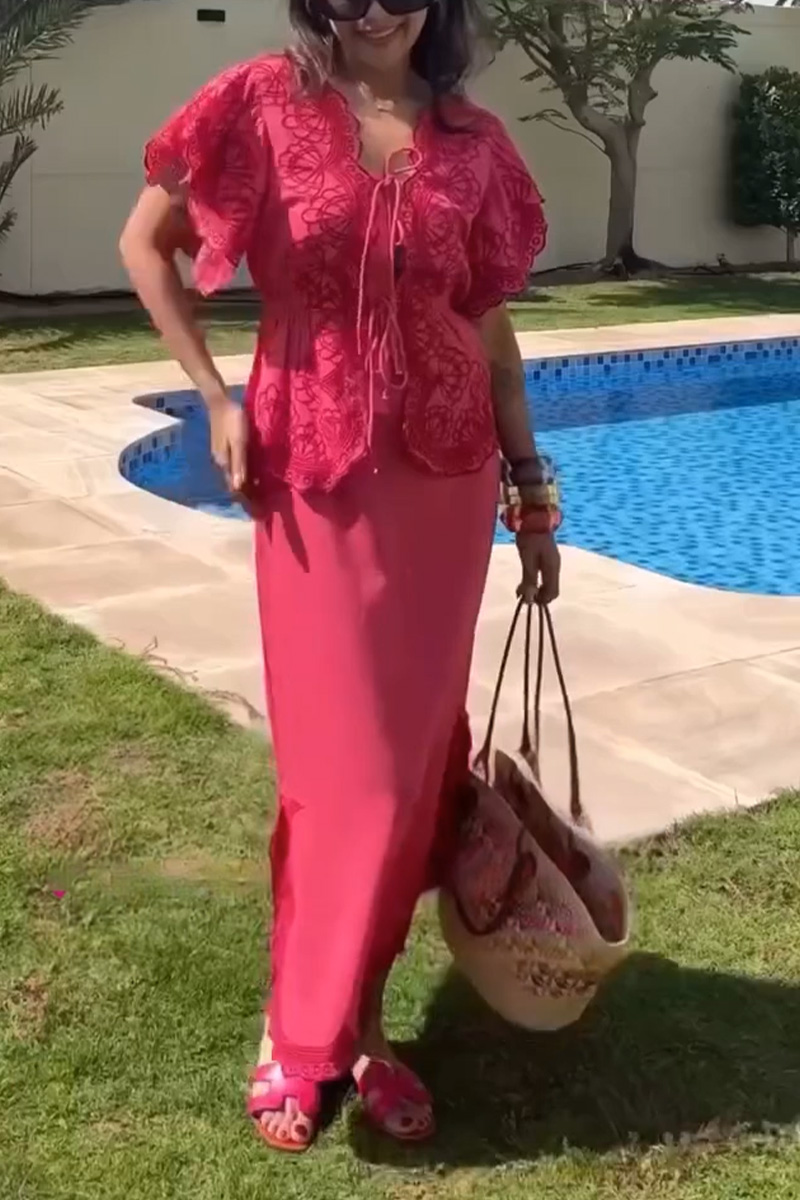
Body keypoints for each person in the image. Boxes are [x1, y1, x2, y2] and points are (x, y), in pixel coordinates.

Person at [120, 0, 561, 1154]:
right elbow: (144, 245)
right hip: (313, 476)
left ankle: (357, 1026)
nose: (373, 6)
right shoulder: (261, 102)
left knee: (409, 775)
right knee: (339, 772)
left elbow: (490, 335)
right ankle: (299, 1025)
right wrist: (213, 396)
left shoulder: (471, 143)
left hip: (447, 484)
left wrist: (530, 490)